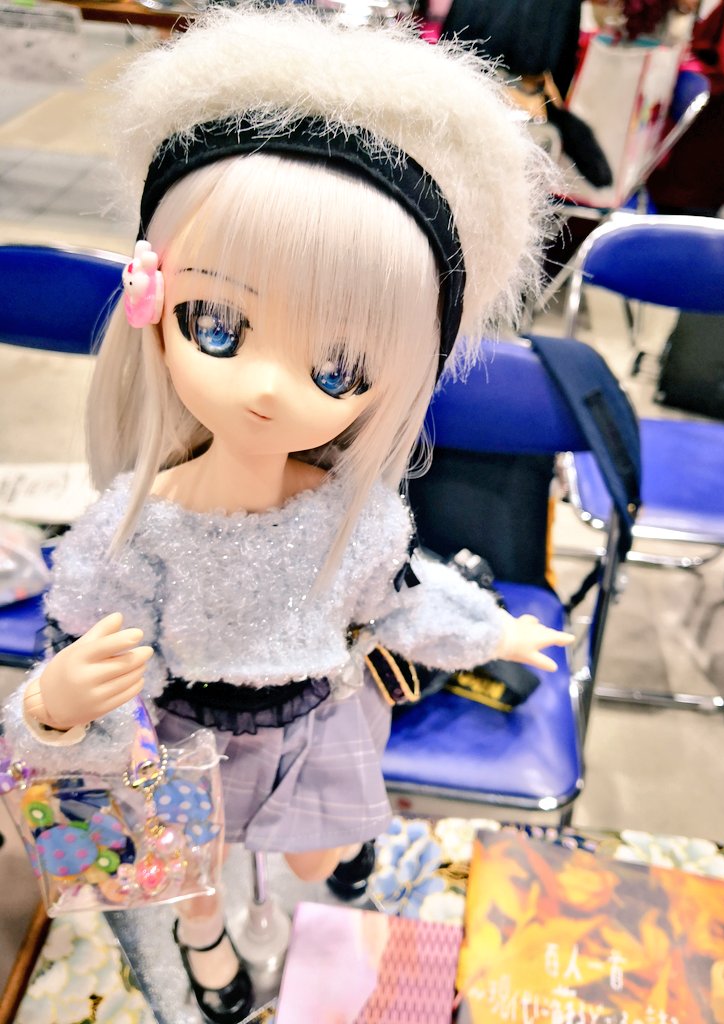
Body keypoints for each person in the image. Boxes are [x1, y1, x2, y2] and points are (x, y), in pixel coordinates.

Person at [2, 6, 569, 1022]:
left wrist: (490, 631)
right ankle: (203, 939)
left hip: (317, 713)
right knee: (193, 866)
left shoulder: (359, 516)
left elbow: (398, 600)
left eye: (338, 367)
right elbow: (81, 649)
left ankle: (321, 882)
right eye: (217, 325)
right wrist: (57, 703)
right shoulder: (141, 527)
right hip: (185, 731)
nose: (269, 388)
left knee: (320, 852)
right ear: (155, 305)